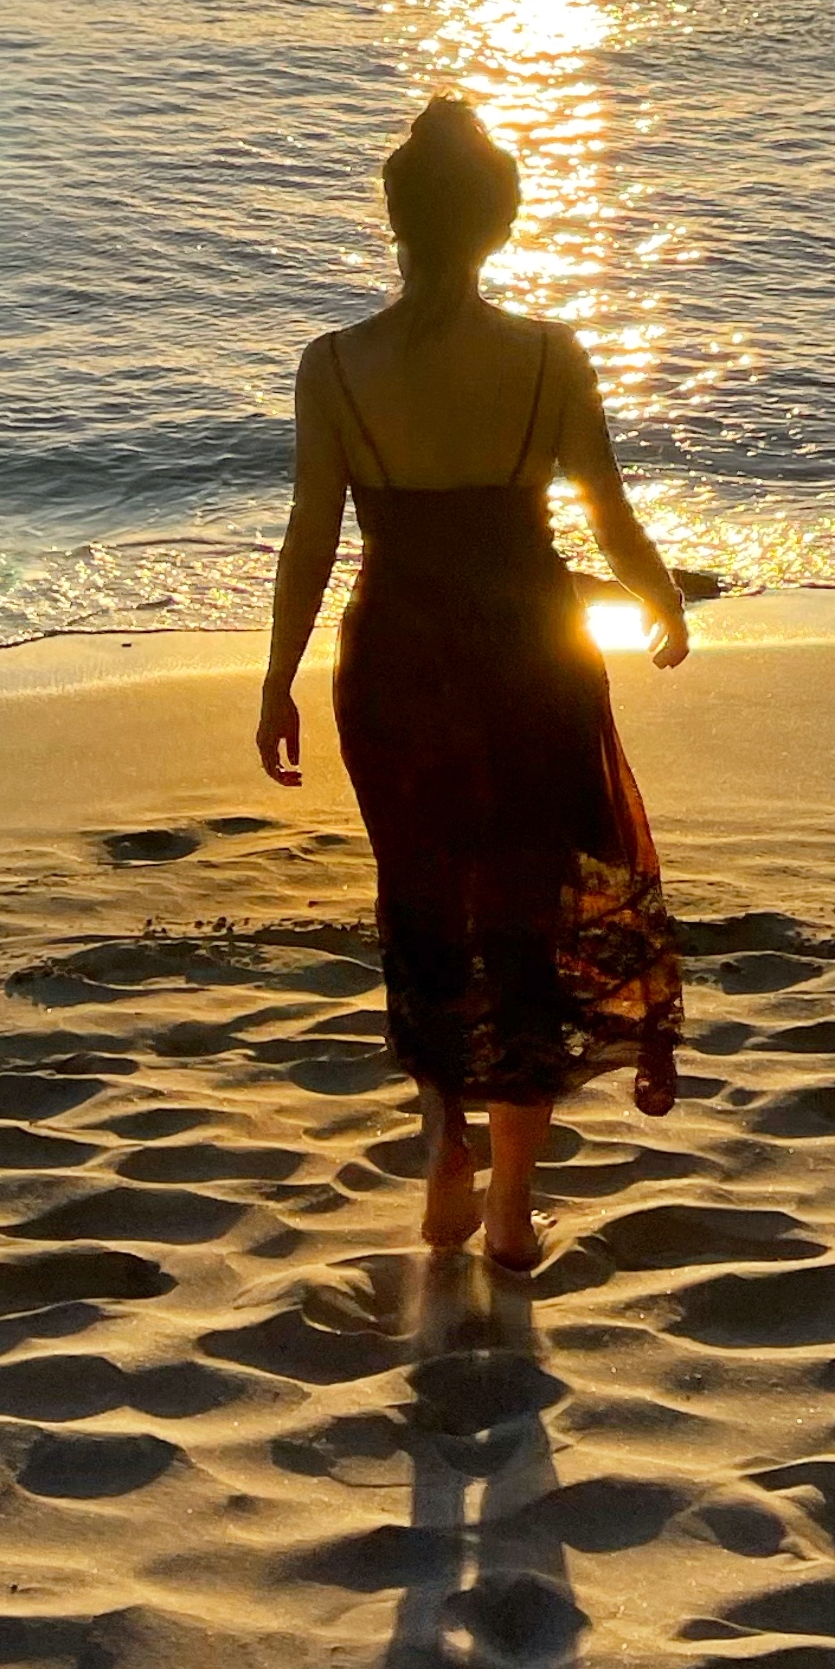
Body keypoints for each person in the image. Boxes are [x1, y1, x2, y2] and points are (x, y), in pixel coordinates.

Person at [258, 95, 688, 1271]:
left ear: (394, 220)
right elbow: (608, 510)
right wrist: (663, 599)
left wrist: (276, 680)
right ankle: (507, 1211)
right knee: (528, 912)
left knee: (424, 902)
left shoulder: (335, 368)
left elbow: (311, 537)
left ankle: (443, 1135)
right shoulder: (550, 358)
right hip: (527, 656)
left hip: (396, 653)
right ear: (500, 225)